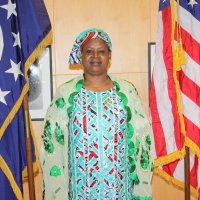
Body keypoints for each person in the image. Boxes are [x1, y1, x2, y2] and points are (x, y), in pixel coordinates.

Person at [40, 28, 155, 200]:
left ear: (109, 56)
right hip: (78, 194)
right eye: (89, 51)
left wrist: (140, 186)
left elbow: (143, 140)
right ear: (81, 56)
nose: (95, 56)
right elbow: (52, 144)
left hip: (121, 193)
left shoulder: (127, 91)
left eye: (101, 51)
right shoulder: (65, 93)